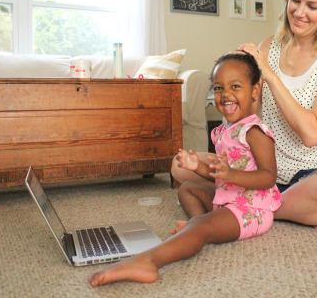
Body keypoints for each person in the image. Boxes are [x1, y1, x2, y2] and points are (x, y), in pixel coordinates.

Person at [172, 0, 317, 227]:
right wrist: (233, 82)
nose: (299, 12)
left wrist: (270, 76)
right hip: (263, 168)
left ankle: (254, 207)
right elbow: (245, 119)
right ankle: (255, 204)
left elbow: (312, 134)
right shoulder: (269, 46)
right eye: (295, 0)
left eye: (312, 6)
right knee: (180, 165)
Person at [89, 53, 280, 286]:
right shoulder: (224, 130)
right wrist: (197, 166)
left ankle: (150, 261)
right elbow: (218, 175)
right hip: (229, 199)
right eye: (219, 88)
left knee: (201, 226)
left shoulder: (255, 131)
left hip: (252, 210)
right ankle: (199, 228)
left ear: (255, 91)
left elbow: (269, 177)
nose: (226, 94)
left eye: (236, 86)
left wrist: (230, 174)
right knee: (187, 188)